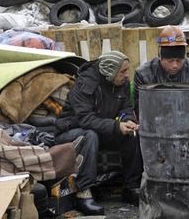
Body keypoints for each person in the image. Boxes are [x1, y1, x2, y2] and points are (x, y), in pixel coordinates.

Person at [55, 51, 142, 215]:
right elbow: (86, 120)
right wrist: (117, 126)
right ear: (110, 71)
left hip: (101, 129)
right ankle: (83, 194)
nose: (127, 75)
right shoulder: (86, 84)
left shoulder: (121, 83)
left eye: (127, 70)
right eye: (123, 71)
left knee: (131, 135)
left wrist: (127, 120)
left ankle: (131, 188)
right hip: (70, 132)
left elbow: (126, 108)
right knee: (90, 135)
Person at [133, 25, 189, 115]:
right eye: (170, 61)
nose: (175, 65)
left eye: (179, 61)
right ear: (160, 57)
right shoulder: (143, 74)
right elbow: (141, 109)